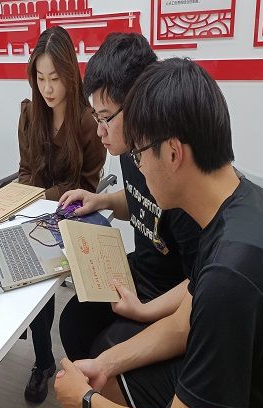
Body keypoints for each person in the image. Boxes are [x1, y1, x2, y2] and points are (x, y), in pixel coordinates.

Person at [55, 57, 263, 408]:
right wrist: (104, 364)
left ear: (173, 153)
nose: (139, 168)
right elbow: (183, 323)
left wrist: (87, 402)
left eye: (140, 154)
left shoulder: (231, 274)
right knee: (110, 376)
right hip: (256, 398)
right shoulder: (241, 203)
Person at [58, 33, 200, 365]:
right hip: (139, 273)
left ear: (139, 102)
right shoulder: (128, 149)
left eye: (105, 117)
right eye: (96, 117)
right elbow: (141, 204)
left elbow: (203, 279)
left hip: (170, 297)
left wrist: (145, 311)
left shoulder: (172, 169)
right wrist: (102, 201)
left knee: (104, 347)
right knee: (73, 322)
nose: (100, 131)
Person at [17, 26, 106, 404]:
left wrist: (38, 196)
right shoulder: (29, 113)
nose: (47, 88)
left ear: (70, 74)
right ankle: (39, 358)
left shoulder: (88, 121)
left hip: (74, 217)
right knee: (8, 254)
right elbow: (25, 171)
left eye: (55, 78)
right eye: (40, 78)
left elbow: (86, 186)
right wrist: (21, 198)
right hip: (35, 211)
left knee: (37, 264)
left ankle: (47, 363)